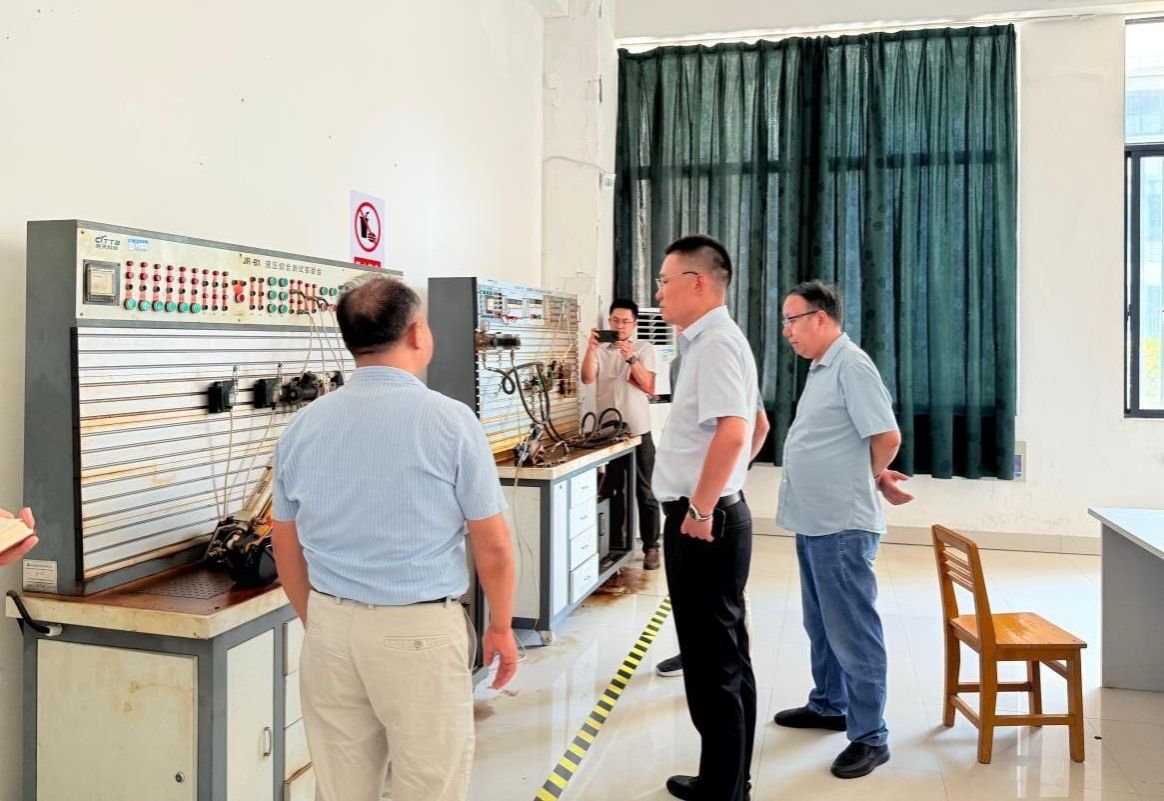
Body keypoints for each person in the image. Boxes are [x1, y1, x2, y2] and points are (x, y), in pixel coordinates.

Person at [271, 275, 518, 801]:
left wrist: (321, 621)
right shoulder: (451, 421)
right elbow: (493, 545)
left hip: (330, 628)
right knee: (429, 785)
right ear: (416, 333)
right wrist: (500, 625)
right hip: (418, 632)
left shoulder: (302, 426)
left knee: (341, 788)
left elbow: (284, 544)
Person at [772, 279, 914, 780]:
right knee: (821, 624)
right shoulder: (821, 367)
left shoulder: (851, 364)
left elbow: (887, 436)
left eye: (792, 320)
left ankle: (871, 735)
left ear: (820, 318)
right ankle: (830, 703)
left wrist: (868, 477)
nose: (786, 331)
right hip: (814, 519)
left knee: (853, 631)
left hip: (842, 524)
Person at [652, 234, 759, 801]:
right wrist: (726, 488)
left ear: (697, 283)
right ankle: (728, 780)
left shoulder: (715, 344)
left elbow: (737, 432)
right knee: (726, 656)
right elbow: (758, 426)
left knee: (712, 663)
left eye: (664, 281)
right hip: (717, 513)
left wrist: (702, 505)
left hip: (703, 522)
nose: (658, 293)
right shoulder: (713, 342)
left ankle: (724, 791)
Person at [655, 336, 768, 679]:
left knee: (722, 609)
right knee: (696, 604)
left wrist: (724, 480)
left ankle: (724, 658)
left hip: (709, 505)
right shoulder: (681, 362)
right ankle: (693, 653)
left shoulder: (719, 349)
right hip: (689, 503)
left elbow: (757, 427)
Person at [581, 299, 662, 568]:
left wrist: (630, 356)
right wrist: (590, 348)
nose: (619, 325)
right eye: (615, 320)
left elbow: (648, 384)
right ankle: (615, 546)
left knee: (645, 490)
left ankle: (651, 546)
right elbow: (587, 378)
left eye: (625, 321)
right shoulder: (601, 350)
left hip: (638, 430)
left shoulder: (644, 348)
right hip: (609, 433)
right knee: (614, 490)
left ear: (634, 324)